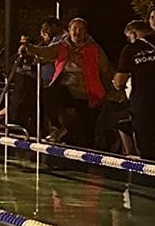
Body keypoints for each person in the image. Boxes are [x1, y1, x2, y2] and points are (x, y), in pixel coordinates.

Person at [46, 16, 111, 144]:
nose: (77, 32)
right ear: (69, 31)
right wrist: (28, 48)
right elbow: (45, 52)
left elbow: (106, 70)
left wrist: (111, 88)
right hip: (68, 90)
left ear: (85, 32)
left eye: (81, 29)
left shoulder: (94, 49)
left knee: (86, 135)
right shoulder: (61, 47)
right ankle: (58, 128)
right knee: (49, 93)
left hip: (87, 94)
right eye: (74, 29)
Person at [115, 7, 155, 162]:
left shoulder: (131, 49)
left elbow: (119, 82)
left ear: (133, 34)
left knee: (147, 148)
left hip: (142, 105)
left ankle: (151, 182)